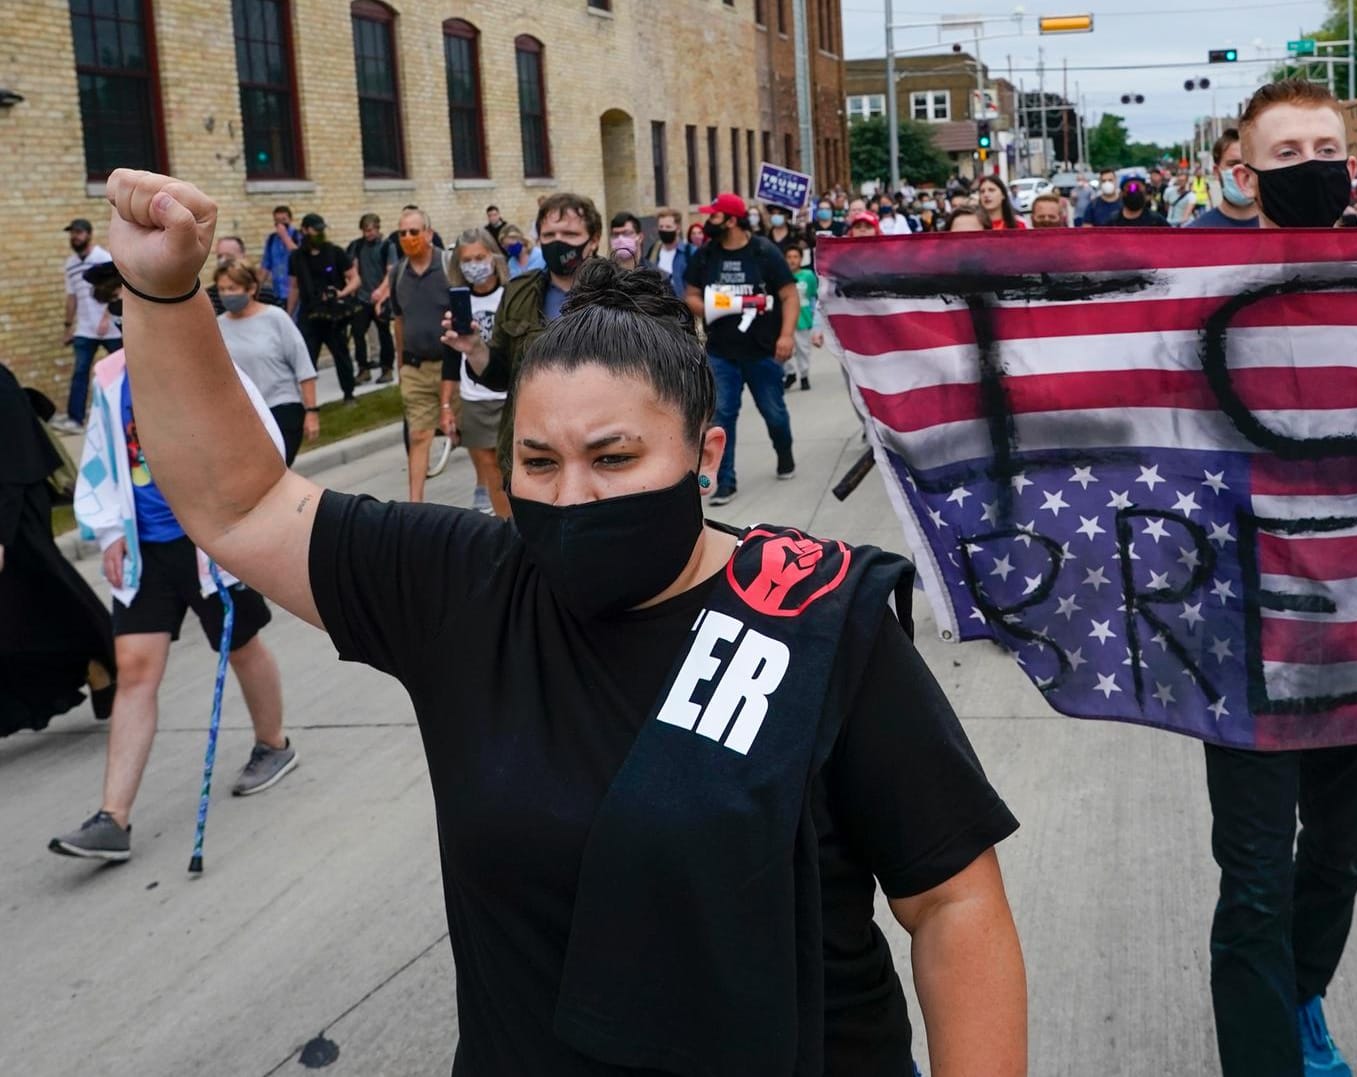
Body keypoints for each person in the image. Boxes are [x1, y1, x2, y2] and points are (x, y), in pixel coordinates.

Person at [100, 169, 1027, 1072]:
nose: (571, 495)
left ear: (706, 456)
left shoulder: (823, 616)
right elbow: (239, 505)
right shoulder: (463, 586)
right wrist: (161, 288)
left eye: (614, 457)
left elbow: (952, 902)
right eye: (537, 461)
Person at [1221, 76, 1357, 1076]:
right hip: (1240, 626)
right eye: (1286, 154)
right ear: (1247, 174)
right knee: (1251, 882)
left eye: (1323, 147)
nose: (1310, 166)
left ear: (1352, 160)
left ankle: (1301, 1000)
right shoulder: (1196, 286)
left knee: (1335, 856)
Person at [50, 266, 295, 862]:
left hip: (209, 541)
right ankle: (114, 817)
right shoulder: (109, 377)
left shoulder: (207, 367)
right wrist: (107, 529)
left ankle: (274, 744)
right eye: (115, 308)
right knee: (134, 669)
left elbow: (260, 441)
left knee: (241, 645)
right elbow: (103, 457)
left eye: (130, 304)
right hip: (146, 548)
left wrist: (236, 515)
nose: (121, 318)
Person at [0, 359, 115, 737]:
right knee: (23, 613)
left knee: (48, 596)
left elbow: (14, 462)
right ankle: (89, 665)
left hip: (15, 508)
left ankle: (100, 661)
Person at [679, 192, 798, 506]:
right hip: (721, 353)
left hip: (763, 353)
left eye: (715, 216)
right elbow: (689, 294)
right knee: (721, 418)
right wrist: (712, 307)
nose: (708, 221)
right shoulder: (706, 255)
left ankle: (784, 454)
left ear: (731, 220)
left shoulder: (764, 252)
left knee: (774, 415)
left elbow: (788, 295)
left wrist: (786, 336)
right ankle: (724, 482)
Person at [452, 192, 603, 421]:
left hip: (601, 429)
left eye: (570, 234)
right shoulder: (518, 292)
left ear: (593, 240)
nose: (558, 242)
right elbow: (501, 378)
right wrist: (475, 350)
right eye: (549, 235)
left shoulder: (622, 292)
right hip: (537, 434)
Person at [386, 207, 460, 503]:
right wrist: (400, 362)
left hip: (451, 366)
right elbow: (399, 319)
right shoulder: (398, 273)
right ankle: (414, 505)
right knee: (418, 435)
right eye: (402, 233)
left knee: (472, 437)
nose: (408, 238)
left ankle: (484, 487)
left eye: (414, 232)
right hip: (415, 368)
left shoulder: (447, 265)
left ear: (428, 234)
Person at [215, 259, 318, 464]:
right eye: (222, 289)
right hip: (244, 417)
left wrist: (312, 412)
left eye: (232, 288)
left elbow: (303, 367)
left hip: (281, 409)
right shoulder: (218, 326)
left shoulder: (275, 318)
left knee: (275, 475)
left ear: (251, 288)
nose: (227, 294)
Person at [449, 229, 512, 518]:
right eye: (467, 259)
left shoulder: (511, 295)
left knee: (513, 467)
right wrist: (446, 404)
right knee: (491, 471)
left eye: (479, 257)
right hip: (474, 396)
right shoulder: (459, 301)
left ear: (493, 256)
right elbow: (451, 357)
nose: (474, 264)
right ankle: (507, 531)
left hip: (509, 395)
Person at [288, 213, 361, 402]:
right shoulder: (296, 257)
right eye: (315, 230)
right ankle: (307, 401)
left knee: (341, 355)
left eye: (321, 230)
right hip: (309, 314)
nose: (319, 233)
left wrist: (342, 293)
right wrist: (289, 314)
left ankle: (349, 394)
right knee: (306, 358)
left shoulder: (335, 252)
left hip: (333, 314)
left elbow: (355, 278)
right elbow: (294, 287)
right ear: (304, 230)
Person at [59, 218, 121, 433]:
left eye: (78, 232)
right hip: (85, 329)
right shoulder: (71, 264)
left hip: (110, 328)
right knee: (80, 372)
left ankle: (123, 414)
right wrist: (68, 327)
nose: (74, 237)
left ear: (88, 234)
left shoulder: (104, 258)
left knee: (124, 369)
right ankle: (75, 420)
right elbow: (72, 297)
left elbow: (116, 290)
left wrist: (106, 318)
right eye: (72, 233)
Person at [347, 213, 396, 385]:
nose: (368, 234)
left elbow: (391, 272)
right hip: (362, 298)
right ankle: (363, 369)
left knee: (384, 335)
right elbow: (352, 268)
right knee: (358, 334)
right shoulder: (356, 246)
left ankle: (387, 368)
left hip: (381, 298)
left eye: (371, 230)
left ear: (377, 228)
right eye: (365, 231)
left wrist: (381, 291)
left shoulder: (387, 246)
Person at [1188, 130, 1261, 229]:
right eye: (1233, 164)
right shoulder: (1198, 232)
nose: (1242, 171)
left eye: (1249, 164)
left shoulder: (1281, 229)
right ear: (1216, 172)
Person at [782, 243, 820, 393]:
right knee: (784, 350)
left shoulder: (808, 276)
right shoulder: (781, 276)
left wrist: (815, 320)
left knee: (803, 349)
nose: (792, 260)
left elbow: (812, 295)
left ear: (801, 259)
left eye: (795, 257)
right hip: (784, 320)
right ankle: (789, 373)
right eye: (789, 257)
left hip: (802, 319)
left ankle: (804, 375)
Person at [645, 209, 692, 297]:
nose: (664, 230)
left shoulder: (688, 252)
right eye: (661, 227)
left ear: (678, 229)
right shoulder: (654, 250)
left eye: (668, 227)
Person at [262, 205, 298, 312]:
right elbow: (265, 266)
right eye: (277, 221)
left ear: (290, 220)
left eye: (284, 220)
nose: (280, 224)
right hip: (278, 291)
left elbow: (298, 255)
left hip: (294, 291)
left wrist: (285, 236)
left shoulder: (298, 235)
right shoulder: (272, 239)